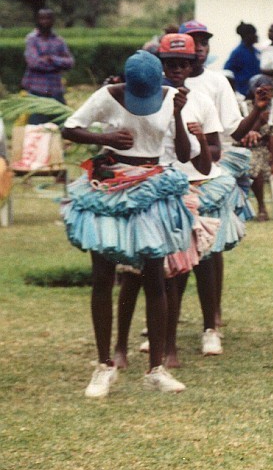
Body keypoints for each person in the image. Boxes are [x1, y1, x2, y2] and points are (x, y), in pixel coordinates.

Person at [61, 50, 199, 397]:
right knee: (104, 276)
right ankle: (104, 365)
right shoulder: (107, 96)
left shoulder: (171, 98)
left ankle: (156, 368)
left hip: (152, 185)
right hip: (110, 187)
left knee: (155, 277)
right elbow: (70, 128)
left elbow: (185, 155)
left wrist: (179, 115)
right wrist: (104, 139)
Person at [115, 33, 226, 369]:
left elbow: (212, 153)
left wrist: (197, 138)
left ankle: (169, 347)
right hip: (144, 187)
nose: (177, 69)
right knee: (134, 272)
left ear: (194, 65)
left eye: (184, 63)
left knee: (177, 273)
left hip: (184, 191)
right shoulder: (143, 96)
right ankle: (121, 346)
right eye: (170, 63)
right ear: (159, 64)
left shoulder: (201, 101)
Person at [181, 20, 249, 331]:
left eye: (204, 43)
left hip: (209, 171)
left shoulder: (216, 82)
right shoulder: (166, 82)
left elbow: (232, 129)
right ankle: (170, 314)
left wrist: (258, 114)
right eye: (193, 42)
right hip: (176, 172)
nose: (199, 49)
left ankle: (213, 314)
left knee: (212, 245)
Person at [236, 75, 273, 221]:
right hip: (243, 147)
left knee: (255, 164)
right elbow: (242, 133)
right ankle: (260, 206)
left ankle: (261, 207)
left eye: (270, 90)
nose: (267, 94)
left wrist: (272, 160)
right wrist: (259, 121)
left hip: (262, 149)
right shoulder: (244, 106)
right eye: (262, 90)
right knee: (252, 161)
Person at [22, 8, 74, 123]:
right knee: (36, 128)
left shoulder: (59, 41)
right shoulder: (32, 39)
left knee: (63, 125)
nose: (45, 21)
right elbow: (34, 63)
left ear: (53, 20)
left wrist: (51, 58)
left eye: (48, 18)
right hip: (37, 90)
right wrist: (57, 65)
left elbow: (70, 62)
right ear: (37, 20)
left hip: (55, 89)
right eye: (42, 18)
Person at [224, 22, 261, 96]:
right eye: (253, 33)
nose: (256, 36)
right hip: (242, 92)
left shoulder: (256, 52)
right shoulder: (237, 52)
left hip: (255, 91)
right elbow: (227, 71)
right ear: (246, 36)